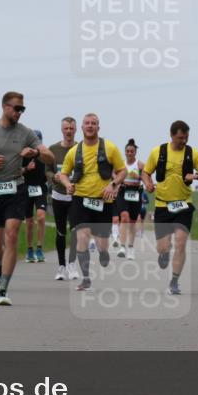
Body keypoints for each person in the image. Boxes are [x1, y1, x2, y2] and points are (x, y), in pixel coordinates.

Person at [0, 91, 53, 306]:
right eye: (16, 108)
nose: (19, 113)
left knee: (12, 235)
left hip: (16, 188)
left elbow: (49, 156)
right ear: (5, 107)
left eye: (22, 109)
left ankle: (4, 288)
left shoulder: (26, 133)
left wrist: (34, 152)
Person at [142, 120, 198, 295]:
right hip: (162, 205)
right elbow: (146, 172)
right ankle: (164, 254)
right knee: (163, 246)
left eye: (187, 137)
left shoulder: (192, 153)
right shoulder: (158, 152)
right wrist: (148, 183)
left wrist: (197, 176)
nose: (184, 141)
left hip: (184, 205)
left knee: (181, 243)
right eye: (181, 137)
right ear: (172, 135)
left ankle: (174, 282)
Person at [54, 113, 126, 293]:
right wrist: (67, 184)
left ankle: (103, 252)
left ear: (98, 127)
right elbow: (63, 173)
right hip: (80, 200)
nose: (90, 126)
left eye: (93, 123)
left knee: (102, 243)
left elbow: (122, 171)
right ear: (83, 128)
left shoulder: (110, 148)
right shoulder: (74, 151)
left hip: (103, 200)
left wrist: (113, 184)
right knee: (82, 237)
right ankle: (86, 278)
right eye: (87, 123)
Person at [47, 117, 78, 281]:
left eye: (71, 128)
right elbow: (47, 170)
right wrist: (54, 178)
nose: (68, 131)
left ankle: (72, 265)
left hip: (75, 196)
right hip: (58, 195)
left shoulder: (81, 149)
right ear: (62, 130)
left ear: (75, 130)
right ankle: (61, 266)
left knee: (75, 232)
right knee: (61, 232)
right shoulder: (53, 149)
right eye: (66, 128)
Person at [116, 139, 145, 259]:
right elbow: (114, 174)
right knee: (124, 218)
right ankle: (122, 246)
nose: (129, 153)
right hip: (123, 192)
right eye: (127, 151)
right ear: (125, 152)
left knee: (133, 221)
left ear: (135, 152)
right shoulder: (121, 164)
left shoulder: (140, 165)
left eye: (131, 151)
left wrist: (138, 176)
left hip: (136, 193)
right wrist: (118, 181)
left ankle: (131, 247)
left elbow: (146, 178)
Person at [22, 129, 48, 264]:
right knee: (30, 222)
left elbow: (50, 171)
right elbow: (16, 172)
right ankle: (29, 249)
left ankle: (39, 248)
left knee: (41, 217)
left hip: (40, 189)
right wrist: (26, 168)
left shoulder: (44, 156)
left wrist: (51, 177)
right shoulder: (23, 155)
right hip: (26, 189)